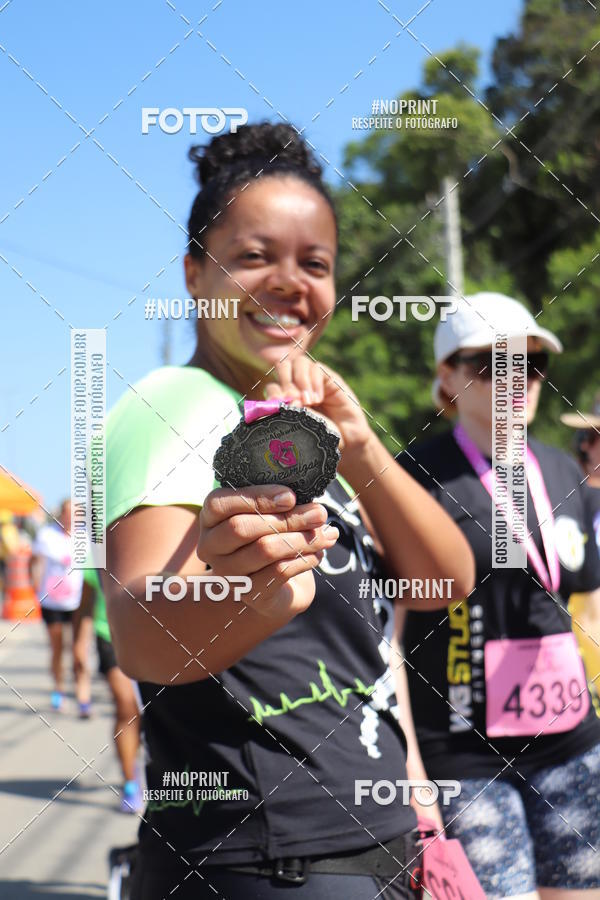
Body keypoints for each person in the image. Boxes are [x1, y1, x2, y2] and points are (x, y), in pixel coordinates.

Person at [103, 122, 475, 900]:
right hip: (259, 859)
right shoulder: (175, 402)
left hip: (371, 846)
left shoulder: (300, 439)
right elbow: (141, 634)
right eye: (253, 257)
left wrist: (363, 445)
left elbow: (444, 581)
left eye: (315, 263)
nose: (288, 282)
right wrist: (256, 590)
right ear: (194, 275)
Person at [397, 292, 600, 899]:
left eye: (531, 363)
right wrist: (411, 778)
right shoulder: (412, 478)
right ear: (448, 377)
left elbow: (588, 606)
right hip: (462, 753)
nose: (518, 379)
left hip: (570, 738)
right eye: (493, 362)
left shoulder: (563, 470)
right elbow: (386, 638)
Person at [82, 568, 143, 811]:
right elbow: (85, 602)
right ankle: (130, 783)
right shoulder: (97, 538)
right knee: (126, 707)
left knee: (152, 713)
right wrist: (78, 645)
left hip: (156, 636)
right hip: (109, 634)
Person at [30, 499, 89, 713]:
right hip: (52, 601)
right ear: (60, 514)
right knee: (58, 649)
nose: (71, 517)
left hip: (78, 601)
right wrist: (36, 585)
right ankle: (59, 688)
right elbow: (33, 560)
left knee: (79, 651)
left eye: (75, 513)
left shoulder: (85, 536)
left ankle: (83, 695)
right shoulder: (47, 536)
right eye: (67, 512)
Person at [561, 395, 600, 708]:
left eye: (593, 437)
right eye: (585, 437)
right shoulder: (573, 499)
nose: (585, 447)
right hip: (579, 666)